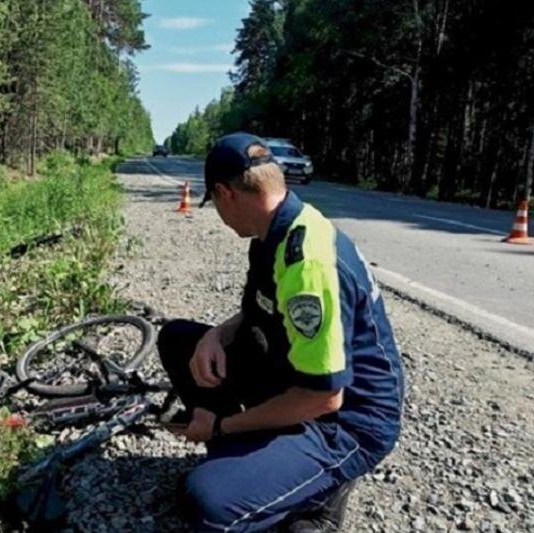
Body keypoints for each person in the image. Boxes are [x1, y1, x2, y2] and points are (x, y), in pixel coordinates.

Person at [157, 133, 405, 532]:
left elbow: (325, 396)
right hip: (296, 372)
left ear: (225, 193)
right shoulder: (277, 228)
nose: (219, 215)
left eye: (215, 203)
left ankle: (321, 493)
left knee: (205, 504)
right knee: (179, 339)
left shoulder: (307, 264)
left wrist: (219, 426)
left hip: (348, 419)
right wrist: (216, 335)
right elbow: (261, 307)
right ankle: (259, 465)